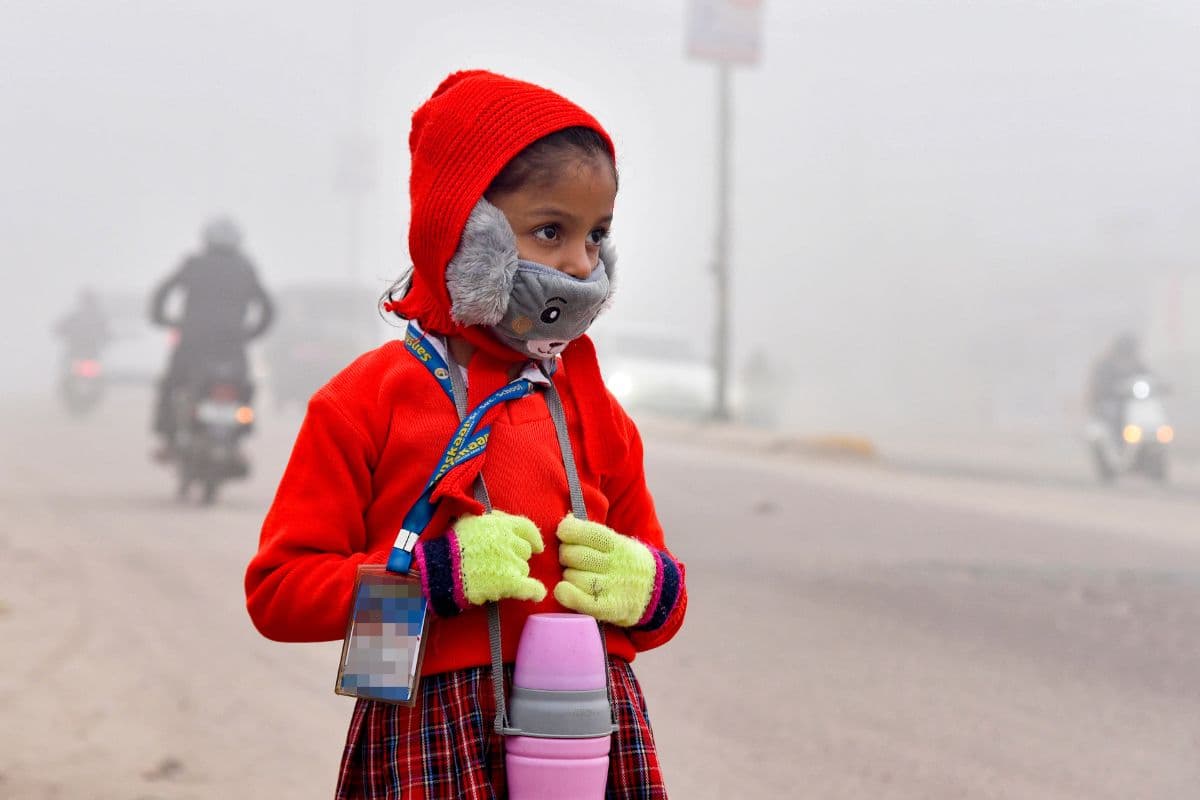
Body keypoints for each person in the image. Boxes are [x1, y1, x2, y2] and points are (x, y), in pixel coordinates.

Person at [244, 71, 687, 799]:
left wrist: (651, 589)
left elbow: (657, 603)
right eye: (551, 231)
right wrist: (427, 582)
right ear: (466, 233)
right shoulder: (366, 399)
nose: (582, 263)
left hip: (588, 728)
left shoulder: (591, 401)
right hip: (430, 729)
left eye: (597, 235)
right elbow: (279, 594)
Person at [148, 217, 274, 458]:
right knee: (243, 387)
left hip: (193, 342)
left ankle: (168, 439)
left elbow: (163, 292)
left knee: (172, 385)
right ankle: (239, 437)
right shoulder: (245, 268)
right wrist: (251, 333)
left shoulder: (194, 263)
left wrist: (161, 318)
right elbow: (268, 309)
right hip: (232, 345)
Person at [1087, 332, 1149, 438]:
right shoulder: (1105, 364)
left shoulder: (1136, 364)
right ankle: (1119, 441)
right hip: (1108, 401)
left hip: (1131, 402)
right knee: (1115, 414)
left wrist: (1161, 385)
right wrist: (1112, 389)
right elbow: (1098, 385)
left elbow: (1148, 375)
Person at [54, 287, 111, 360]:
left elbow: (107, 333)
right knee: (66, 366)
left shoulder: (98, 318)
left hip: (89, 353)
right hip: (77, 352)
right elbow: (60, 327)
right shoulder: (75, 317)